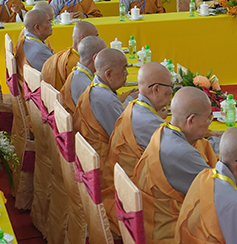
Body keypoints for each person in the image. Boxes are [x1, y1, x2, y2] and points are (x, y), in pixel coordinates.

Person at [135, 88, 237, 242]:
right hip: (166, 232)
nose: (209, 123)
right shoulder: (183, 154)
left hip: (152, 217)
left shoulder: (164, 132)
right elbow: (221, 189)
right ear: (191, 120)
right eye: (208, 118)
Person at [76, 48, 131, 228]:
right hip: (105, 169)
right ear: (108, 74)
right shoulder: (106, 100)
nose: (127, 73)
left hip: (90, 160)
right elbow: (126, 140)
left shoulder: (94, 87)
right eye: (124, 69)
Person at [109, 62, 172, 178]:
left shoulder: (133, 106)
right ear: (156, 89)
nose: (171, 92)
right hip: (138, 183)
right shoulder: (151, 122)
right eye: (170, 86)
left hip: (122, 177)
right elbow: (178, 155)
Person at [41, 20, 98, 90]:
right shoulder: (77, 64)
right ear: (83, 39)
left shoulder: (64, 56)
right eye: (95, 37)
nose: (98, 40)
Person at [62, 35, 105, 115]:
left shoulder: (78, 72)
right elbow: (103, 112)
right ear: (95, 58)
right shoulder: (85, 85)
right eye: (104, 56)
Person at [15, 7, 54, 74]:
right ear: (37, 27)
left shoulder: (26, 33)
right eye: (48, 22)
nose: (51, 25)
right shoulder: (39, 50)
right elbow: (57, 71)